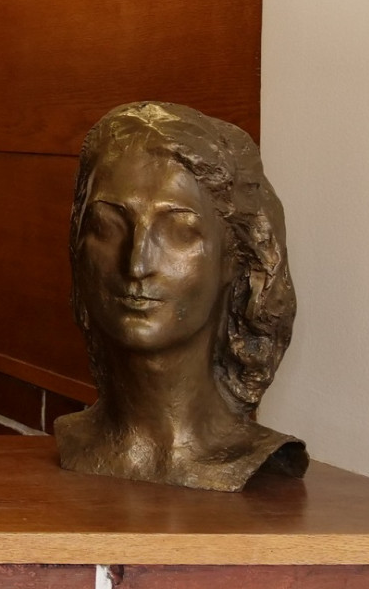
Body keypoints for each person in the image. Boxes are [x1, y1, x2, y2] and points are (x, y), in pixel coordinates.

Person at [55, 101, 307, 491]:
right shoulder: (77, 442)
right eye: (109, 224)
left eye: (179, 231)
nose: (137, 264)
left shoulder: (244, 459)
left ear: (234, 259)